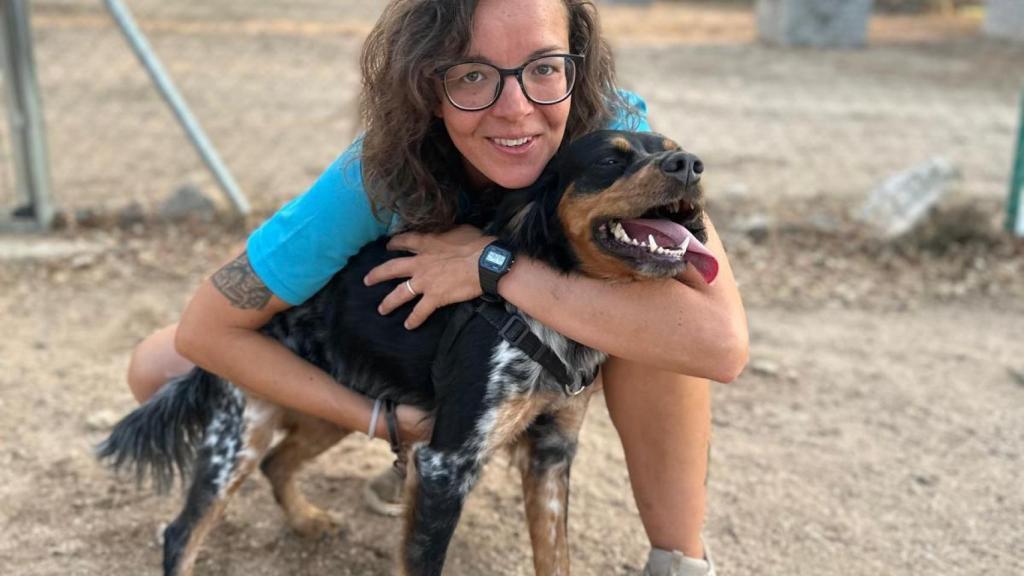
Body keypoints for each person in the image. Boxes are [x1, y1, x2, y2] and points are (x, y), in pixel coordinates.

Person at [126, 1, 748, 575]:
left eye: (544, 67)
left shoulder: (620, 140)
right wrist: (383, 420)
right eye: (473, 75)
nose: (516, 108)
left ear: (575, 72)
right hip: (393, 348)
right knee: (162, 369)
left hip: (525, 333)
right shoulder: (372, 176)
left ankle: (679, 560)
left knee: (669, 324)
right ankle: (423, 448)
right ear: (427, 88)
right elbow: (206, 328)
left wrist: (494, 265)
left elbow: (717, 344)